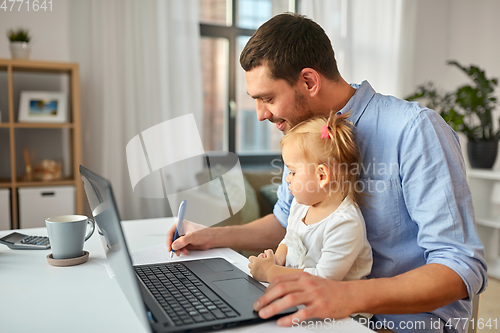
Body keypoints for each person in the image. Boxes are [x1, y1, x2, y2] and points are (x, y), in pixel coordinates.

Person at [167, 13, 487, 333]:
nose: (262, 114)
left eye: (267, 98)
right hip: (329, 311)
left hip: (403, 322)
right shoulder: (303, 138)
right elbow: (284, 221)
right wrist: (210, 237)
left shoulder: (414, 130)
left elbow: (461, 267)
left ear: (309, 81)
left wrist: (344, 296)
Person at [247, 112, 372, 285]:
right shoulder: (301, 207)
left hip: (340, 309)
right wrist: (276, 260)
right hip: (301, 296)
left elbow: (323, 279)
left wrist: (271, 272)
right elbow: (289, 240)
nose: (287, 179)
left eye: (292, 172)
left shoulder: (345, 223)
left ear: (322, 176)